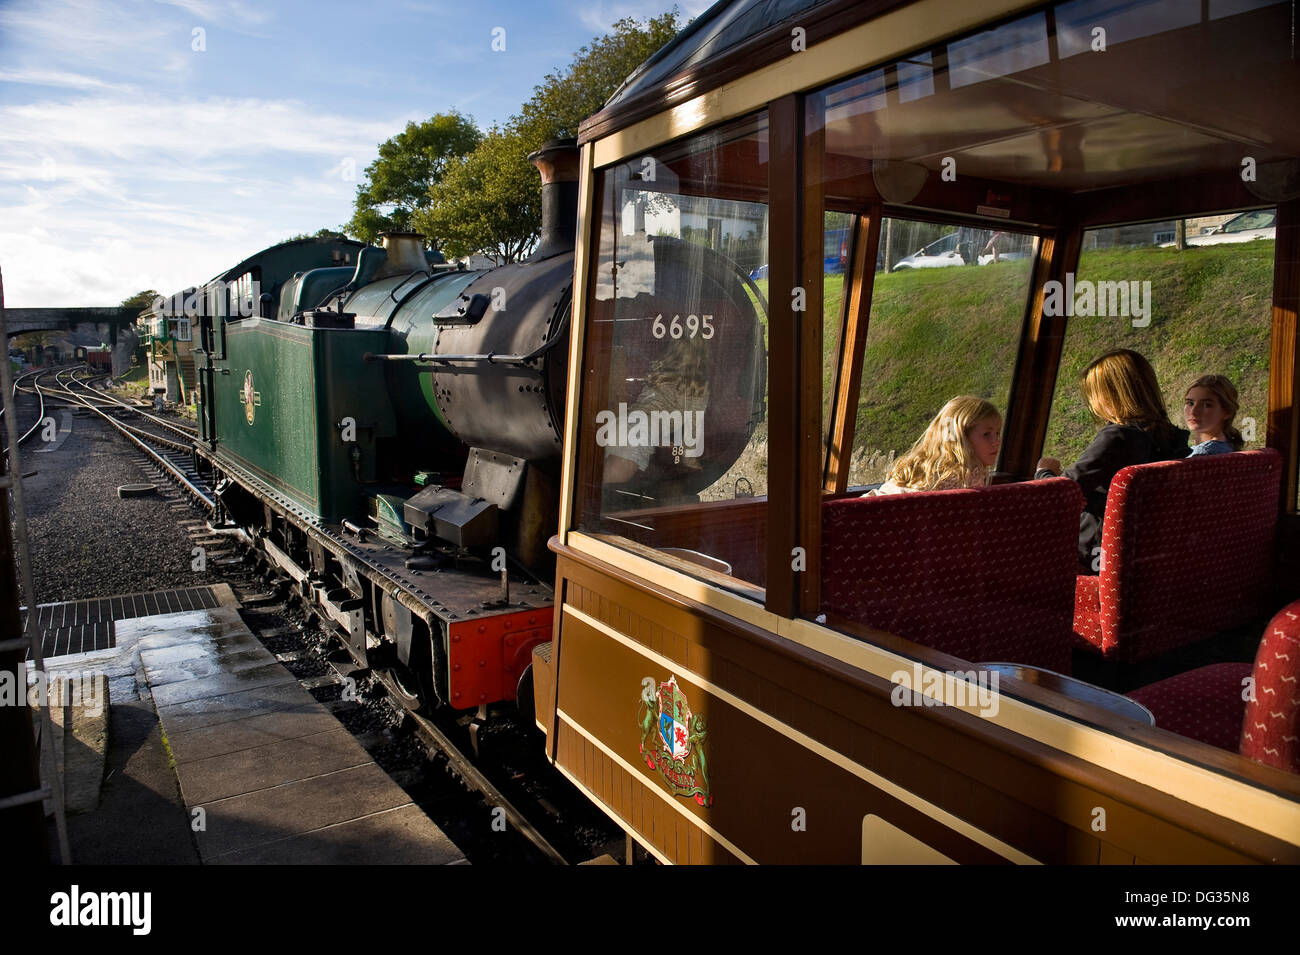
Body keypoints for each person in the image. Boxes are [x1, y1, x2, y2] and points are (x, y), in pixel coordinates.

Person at [1036, 349, 1189, 571]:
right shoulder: (1171, 437)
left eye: (1094, 395)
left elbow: (1061, 492)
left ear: (1111, 396)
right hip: (1143, 551)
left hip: (1091, 553)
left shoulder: (1118, 437)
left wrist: (1044, 471)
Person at [867, 396, 1001, 495]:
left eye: (998, 433)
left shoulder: (922, 465)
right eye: (986, 434)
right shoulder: (967, 476)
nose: (996, 441)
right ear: (962, 438)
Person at [1184, 374, 1243, 455]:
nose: (1194, 411)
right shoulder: (1227, 446)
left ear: (1227, 412)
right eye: (1190, 403)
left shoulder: (1203, 454)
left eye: (1207, 405)